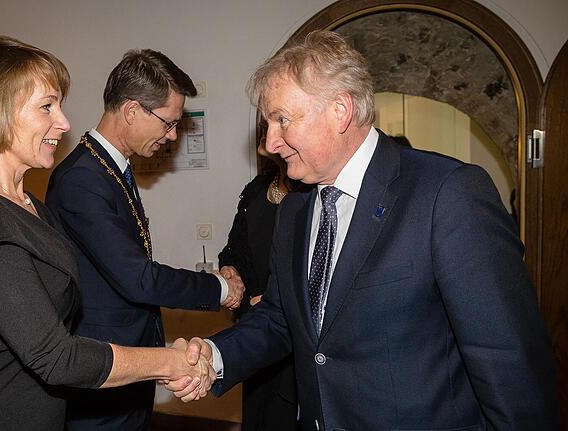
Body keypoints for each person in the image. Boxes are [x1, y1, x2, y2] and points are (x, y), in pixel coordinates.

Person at [171, 30, 558, 430]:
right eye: (268, 123)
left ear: (340, 110)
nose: (270, 142)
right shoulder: (294, 210)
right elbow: (281, 317)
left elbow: (507, 359)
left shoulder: (447, 193)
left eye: (282, 120)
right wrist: (214, 357)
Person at [0, 36, 213, 431]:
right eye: (47, 106)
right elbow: (56, 356)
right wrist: (168, 361)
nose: (65, 123)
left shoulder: (28, 205)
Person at [44, 49, 244, 431]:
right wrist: (219, 289)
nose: (171, 137)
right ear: (132, 111)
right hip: (103, 368)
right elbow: (138, 278)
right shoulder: (81, 179)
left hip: (131, 356)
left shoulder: (110, 168)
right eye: (169, 124)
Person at [218, 120, 299, 431]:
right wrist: (228, 270)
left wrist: (282, 300)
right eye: (265, 129)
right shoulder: (255, 191)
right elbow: (233, 250)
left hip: (292, 340)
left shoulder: (312, 194)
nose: (270, 139)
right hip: (254, 330)